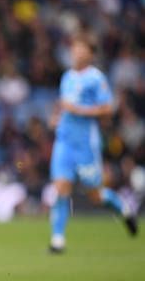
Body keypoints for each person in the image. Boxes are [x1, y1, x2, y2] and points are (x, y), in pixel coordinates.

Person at [49, 34, 138, 253]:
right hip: (64, 141)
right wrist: (57, 116)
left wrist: (80, 110)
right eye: (75, 48)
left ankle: (124, 209)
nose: (76, 52)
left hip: (86, 143)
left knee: (95, 195)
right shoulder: (67, 76)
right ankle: (57, 240)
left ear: (90, 54)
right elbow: (64, 104)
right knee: (61, 187)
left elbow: (108, 108)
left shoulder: (96, 78)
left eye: (81, 49)